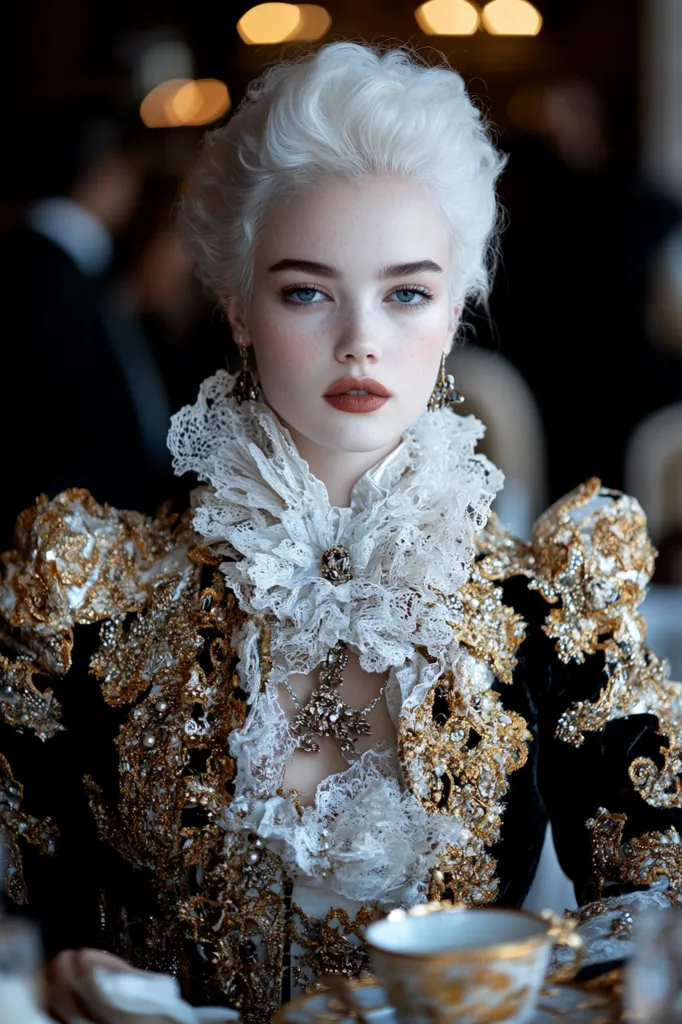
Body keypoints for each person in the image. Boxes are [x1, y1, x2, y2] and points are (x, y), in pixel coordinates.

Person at [0, 43, 680, 1024]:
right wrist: (59, 974)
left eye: (405, 292)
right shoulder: (93, 600)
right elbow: (24, 918)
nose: (360, 337)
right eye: (306, 291)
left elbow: (659, 915)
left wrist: (498, 979)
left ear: (452, 313)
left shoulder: (552, 605)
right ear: (236, 304)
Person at [0, 102, 175, 548]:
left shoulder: (73, 265)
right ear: (109, 171)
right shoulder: (47, 273)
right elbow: (53, 419)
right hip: (74, 539)